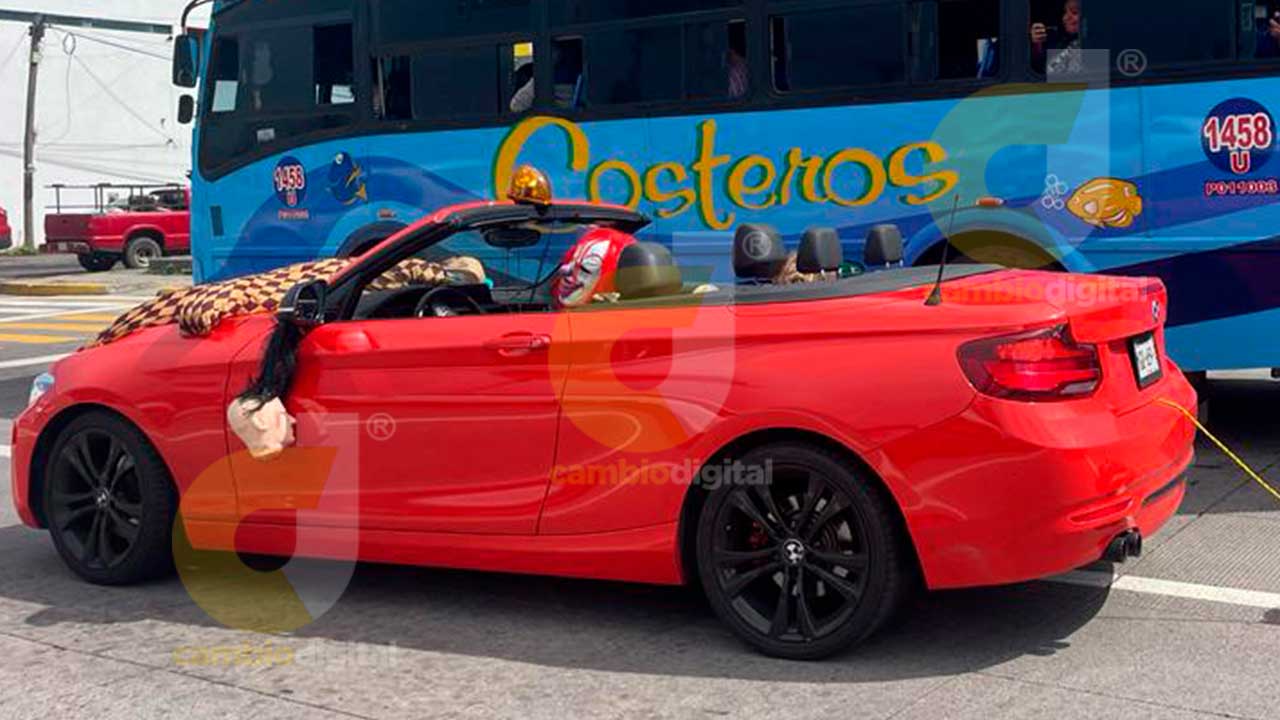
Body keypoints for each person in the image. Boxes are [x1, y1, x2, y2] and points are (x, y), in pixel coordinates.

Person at [1030, 0, 1082, 75]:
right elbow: (1041, 69)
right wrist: (1037, 44)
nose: (1066, 17)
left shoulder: (1093, 45)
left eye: (1074, 12)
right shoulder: (1060, 41)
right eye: (1065, 12)